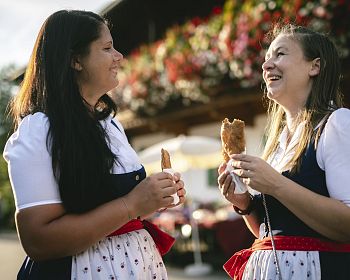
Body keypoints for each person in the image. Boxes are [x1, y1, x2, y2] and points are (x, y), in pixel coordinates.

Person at [3, 10, 186, 280]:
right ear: (76, 60)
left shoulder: (110, 126)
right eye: (107, 48)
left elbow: (120, 205)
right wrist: (133, 204)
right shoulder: (39, 129)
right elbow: (38, 240)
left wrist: (154, 199)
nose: (119, 57)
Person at [218, 23, 350, 279]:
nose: (266, 65)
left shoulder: (337, 123)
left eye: (280, 54)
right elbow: (271, 232)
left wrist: (276, 184)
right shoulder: (277, 141)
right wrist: (244, 204)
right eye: (267, 58)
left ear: (315, 66)